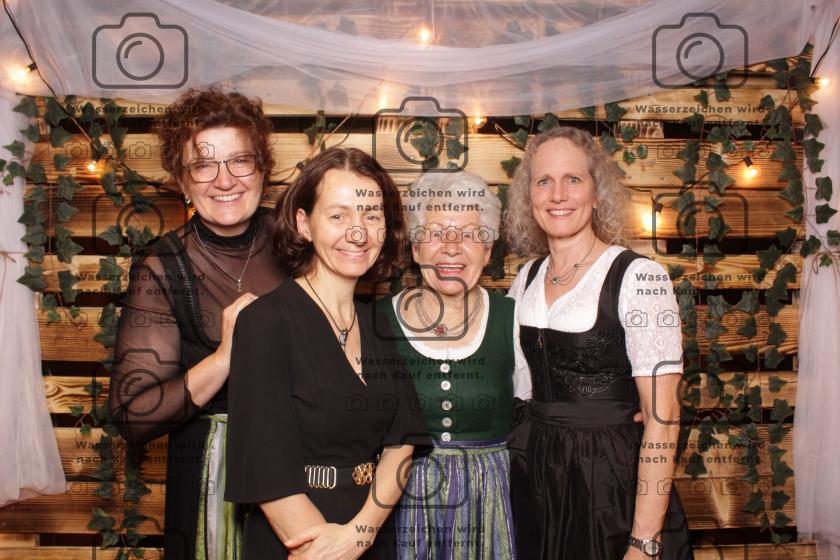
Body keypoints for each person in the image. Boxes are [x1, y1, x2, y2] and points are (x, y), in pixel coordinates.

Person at [224, 146, 428, 559]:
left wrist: (361, 534)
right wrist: (330, 549)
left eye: (371, 216)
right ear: (304, 224)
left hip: (371, 532)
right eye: (338, 216)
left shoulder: (378, 323)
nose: (358, 233)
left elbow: (402, 442)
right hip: (297, 542)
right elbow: (265, 466)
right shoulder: (265, 323)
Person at [108, 88, 286, 560]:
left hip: (306, 468)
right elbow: (133, 417)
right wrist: (225, 358)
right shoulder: (164, 267)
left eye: (240, 161)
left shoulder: (299, 244)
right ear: (183, 182)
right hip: (212, 480)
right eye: (203, 165)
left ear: (262, 170)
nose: (224, 180)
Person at [505, 126, 693, 559]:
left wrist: (645, 541)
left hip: (610, 483)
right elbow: (517, 387)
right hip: (539, 478)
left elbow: (663, 420)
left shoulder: (639, 277)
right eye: (544, 181)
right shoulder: (526, 278)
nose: (558, 195)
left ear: (596, 193)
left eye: (573, 179)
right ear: (529, 196)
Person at [376, 171, 516, 559]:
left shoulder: (513, 318)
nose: (452, 248)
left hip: (491, 502)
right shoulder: (376, 322)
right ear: (416, 249)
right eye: (436, 233)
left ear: (487, 251)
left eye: (469, 234)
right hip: (398, 502)